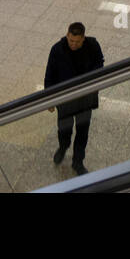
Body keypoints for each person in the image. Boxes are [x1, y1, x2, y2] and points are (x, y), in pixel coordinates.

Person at [44, 22, 105, 176]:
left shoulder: (93, 45)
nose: (73, 44)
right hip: (65, 99)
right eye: (71, 40)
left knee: (82, 131)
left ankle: (78, 162)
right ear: (67, 35)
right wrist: (49, 100)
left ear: (83, 38)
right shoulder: (57, 49)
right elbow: (50, 74)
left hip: (85, 98)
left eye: (77, 41)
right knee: (64, 129)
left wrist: (93, 82)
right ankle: (63, 147)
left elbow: (100, 64)